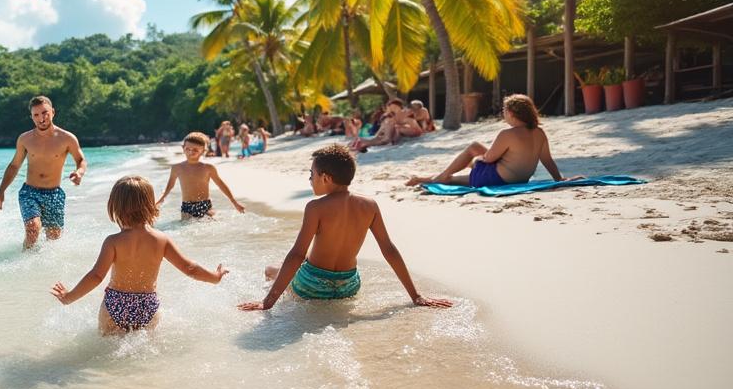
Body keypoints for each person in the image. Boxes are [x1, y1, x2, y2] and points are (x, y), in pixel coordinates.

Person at [238, 145, 452, 310]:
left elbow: (296, 254)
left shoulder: (315, 207)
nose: (310, 179)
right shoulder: (370, 205)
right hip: (348, 285)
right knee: (303, 263)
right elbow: (389, 250)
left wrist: (267, 302)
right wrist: (416, 296)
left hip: (312, 285)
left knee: (270, 269)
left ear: (325, 178)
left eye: (312, 174)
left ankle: (278, 302)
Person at [51, 176, 228, 334]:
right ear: (150, 205)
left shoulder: (113, 241)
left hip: (115, 303)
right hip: (147, 305)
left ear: (115, 206)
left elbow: (96, 276)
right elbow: (190, 268)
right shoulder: (161, 239)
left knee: (105, 353)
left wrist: (69, 297)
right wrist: (214, 277)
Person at [405, 94, 582, 188]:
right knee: (470, 162)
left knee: (471, 152)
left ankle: (437, 177)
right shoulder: (539, 133)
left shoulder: (508, 134)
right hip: (519, 179)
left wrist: (479, 160)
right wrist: (559, 179)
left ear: (511, 113)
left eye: (504, 111)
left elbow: (489, 158)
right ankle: (425, 178)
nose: (503, 114)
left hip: (497, 179)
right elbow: (547, 160)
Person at [0, 95, 87, 249]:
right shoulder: (25, 139)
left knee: (53, 239)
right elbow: (14, 166)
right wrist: (1, 191)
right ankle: (24, 260)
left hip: (54, 193)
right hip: (30, 192)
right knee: (33, 229)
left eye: (45, 113)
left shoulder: (67, 138)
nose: (41, 118)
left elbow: (81, 160)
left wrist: (79, 173)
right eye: (36, 115)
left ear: (53, 112)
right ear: (31, 117)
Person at [155, 132, 246, 220]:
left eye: (195, 150)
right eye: (187, 149)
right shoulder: (177, 168)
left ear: (203, 151)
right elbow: (170, 186)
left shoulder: (208, 168)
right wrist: (160, 201)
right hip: (187, 207)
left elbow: (221, 185)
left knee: (211, 226)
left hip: (205, 205)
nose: (191, 152)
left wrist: (234, 202)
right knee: (186, 228)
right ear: (183, 148)